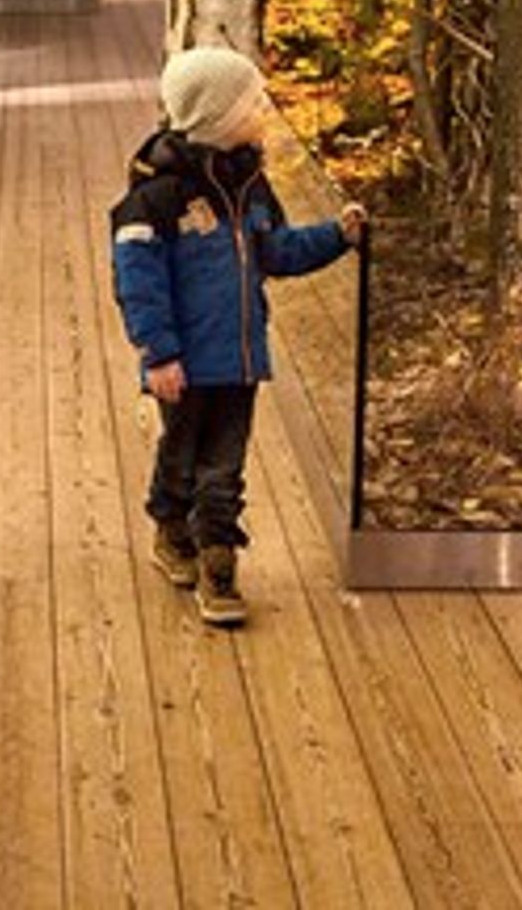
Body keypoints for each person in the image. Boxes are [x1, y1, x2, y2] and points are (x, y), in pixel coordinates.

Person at [109, 46, 366, 627]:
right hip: (183, 363)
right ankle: (170, 527)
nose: (264, 110)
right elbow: (139, 284)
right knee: (181, 455)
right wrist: (160, 353)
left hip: (241, 359)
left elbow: (276, 251)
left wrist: (336, 237)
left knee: (223, 467)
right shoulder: (155, 199)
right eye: (254, 102)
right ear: (217, 117)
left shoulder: (253, 186)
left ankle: (218, 565)